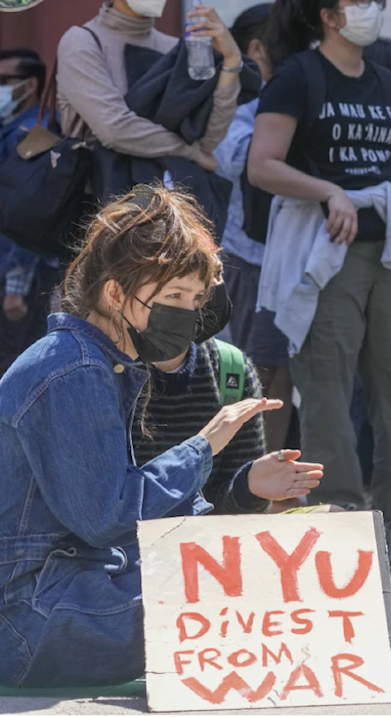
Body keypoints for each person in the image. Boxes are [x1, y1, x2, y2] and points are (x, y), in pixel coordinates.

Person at [0, 185, 327, 688]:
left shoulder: (93, 362)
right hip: (27, 614)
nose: (187, 312)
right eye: (173, 296)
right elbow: (108, 517)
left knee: (252, 571)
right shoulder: (73, 369)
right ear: (114, 293)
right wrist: (205, 444)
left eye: (195, 299)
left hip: (62, 587)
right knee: (247, 598)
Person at [248, 0, 391, 514]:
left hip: (387, 255)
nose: (373, 10)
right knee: (326, 391)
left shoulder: (385, 81)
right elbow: (261, 165)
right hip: (324, 252)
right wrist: (328, 191)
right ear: (328, 16)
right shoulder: (298, 75)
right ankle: (334, 509)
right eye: (360, 3)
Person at [132, 278, 323, 514]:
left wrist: (249, 488)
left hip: (200, 540)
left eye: (200, 295)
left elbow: (232, 512)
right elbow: (109, 511)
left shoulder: (231, 368)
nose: (193, 308)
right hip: (127, 543)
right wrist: (203, 447)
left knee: (334, 515)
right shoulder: (102, 369)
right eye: (175, 295)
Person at [212, 3, 296, 458]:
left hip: (293, 255)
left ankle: (274, 471)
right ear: (257, 48)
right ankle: (237, 471)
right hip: (248, 259)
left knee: (280, 369)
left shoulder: (300, 89)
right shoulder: (238, 99)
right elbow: (234, 158)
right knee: (246, 368)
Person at [57, 0, 244, 172]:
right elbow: (114, 129)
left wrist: (231, 61)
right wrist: (189, 152)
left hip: (165, 198)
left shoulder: (174, 49)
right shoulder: (81, 42)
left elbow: (206, 142)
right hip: (97, 196)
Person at [0, 48, 59, 377]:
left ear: (31, 84)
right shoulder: (12, 127)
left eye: (5, 81)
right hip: (11, 273)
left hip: (24, 277)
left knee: (15, 368)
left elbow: (27, 214)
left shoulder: (35, 134)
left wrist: (15, 289)